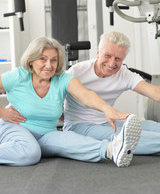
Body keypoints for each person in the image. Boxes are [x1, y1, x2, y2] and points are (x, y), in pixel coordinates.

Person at [0, 36, 141, 167]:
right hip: (15, 128)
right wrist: (2, 112)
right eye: (42, 59)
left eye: (53, 60)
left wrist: (106, 109)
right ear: (32, 60)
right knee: (30, 152)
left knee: (69, 140)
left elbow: (85, 95)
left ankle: (112, 150)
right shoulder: (19, 76)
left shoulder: (62, 79)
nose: (49, 65)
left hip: (46, 133)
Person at [64, 31, 160, 156]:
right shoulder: (76, 71)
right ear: (98, 52)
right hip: (79, 126)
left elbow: (155, 92)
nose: (111, 63)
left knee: (152, 127)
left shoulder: (124, 74)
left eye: (118, 59)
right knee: (136, 137)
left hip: (107, 122)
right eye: (107, 56)